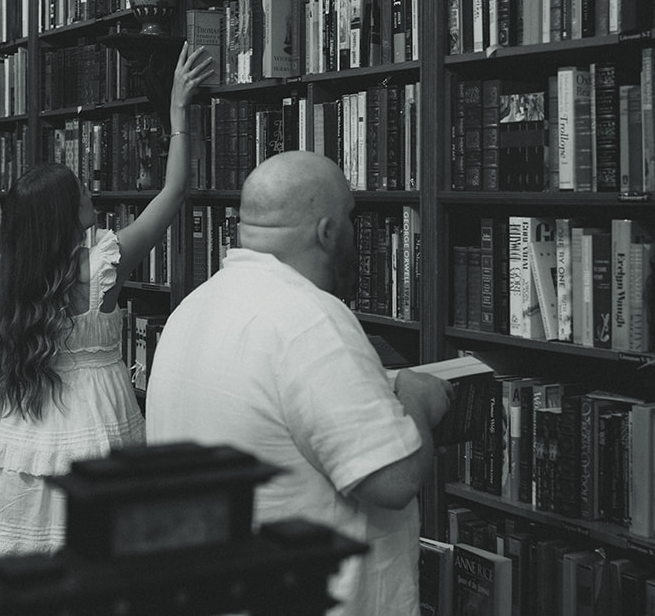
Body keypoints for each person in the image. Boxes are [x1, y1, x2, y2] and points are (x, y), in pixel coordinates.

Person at [145, 151, 453, 616]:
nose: (355, 229)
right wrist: (417, 397)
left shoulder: (192, 308)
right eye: (351, 215)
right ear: (328, 231)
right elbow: (393, 481)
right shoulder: (311, 320)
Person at [0, 42, 212, 560]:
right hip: (101, 426)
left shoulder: (7, 279)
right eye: (81, 195)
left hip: (27, 440)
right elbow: (174, 191)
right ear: (65, 215)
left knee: (25, 573)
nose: (90, 197)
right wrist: (179, 111)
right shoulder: (104, 265)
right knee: (103, 567)